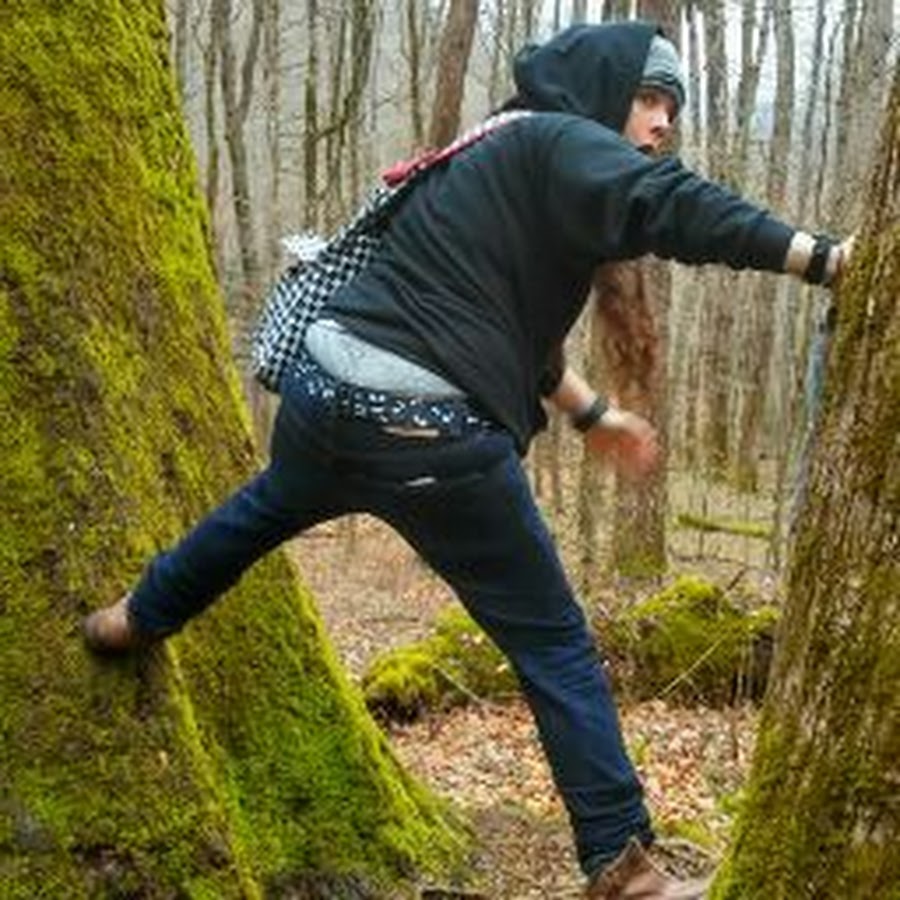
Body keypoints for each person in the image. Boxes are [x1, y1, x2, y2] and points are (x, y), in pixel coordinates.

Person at [84, 21, 850, 899]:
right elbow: (670, 205)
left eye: (672, 107)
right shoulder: (564, 141)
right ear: (600, 91)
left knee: (261, 510)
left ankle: (135, 617)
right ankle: (622, 868)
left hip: (323, 390)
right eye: (648, 98)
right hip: (431, 432)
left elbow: (503, 333)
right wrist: (821, 258)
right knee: (553, 642)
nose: (662, 121)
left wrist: (592, 414)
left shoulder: (493, 151)